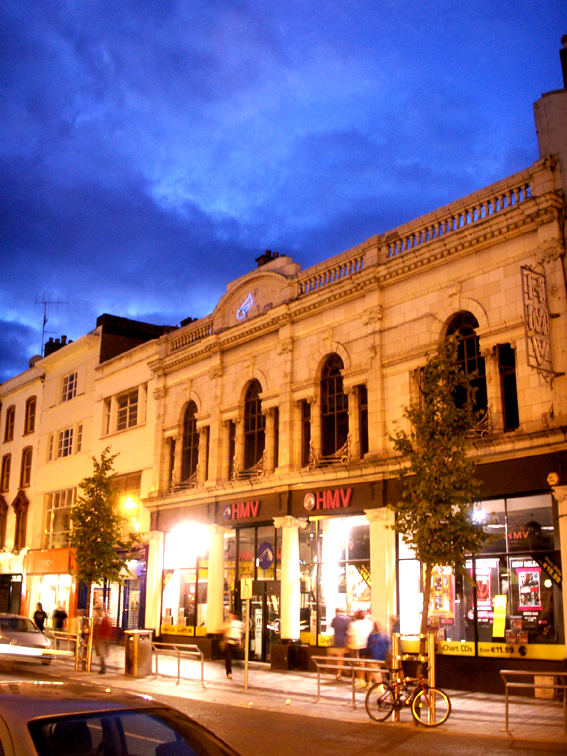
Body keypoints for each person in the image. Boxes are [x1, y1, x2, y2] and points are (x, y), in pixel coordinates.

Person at [347, 610, 372, 687]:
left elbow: (349, 635)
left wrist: (347, 645)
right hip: (368, 645)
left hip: (357, 646)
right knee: (368, 664)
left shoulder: (353, 625)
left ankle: (361, 680)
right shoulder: (369, 623)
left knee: (359, 664)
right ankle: (370, 682)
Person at [329, 608, 352, 680]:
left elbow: (332, 627)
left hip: (336, 640)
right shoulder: (348, 619)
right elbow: (349, 631)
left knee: (339, 657)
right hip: (345, 641)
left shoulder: (335, 619)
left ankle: (339, 672)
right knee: (342, 657)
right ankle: (342, 671)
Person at [222, 612, 243, 679]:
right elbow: (222, 630)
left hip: (235, 642)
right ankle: (229, 673)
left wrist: (240, 642)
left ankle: (238, 665)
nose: (230, 617)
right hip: (228, 642)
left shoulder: (238, 624)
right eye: (229, 616)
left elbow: (240, 633)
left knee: (235, 656)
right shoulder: (227, 623)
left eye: (231, 616)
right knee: (228, 659)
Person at [92, 602, 112, 674]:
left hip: (102, 638)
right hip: (100, 638)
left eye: (98, 610)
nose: (96, 612)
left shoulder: (104, 618)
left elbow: (106, 628)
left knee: (101, 653)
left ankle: (103, 668)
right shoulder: (99, 618)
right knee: (101, 653)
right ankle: (103, 667)